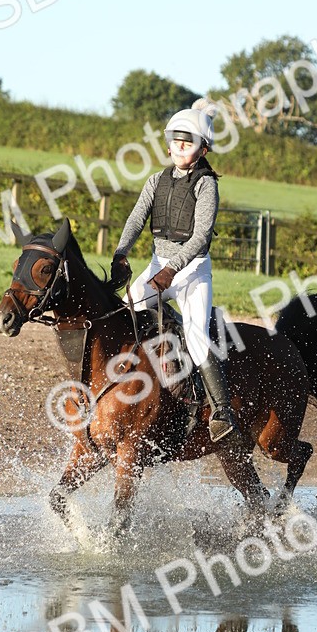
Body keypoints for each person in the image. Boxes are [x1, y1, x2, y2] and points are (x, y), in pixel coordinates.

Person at [110, 102, 237, 442]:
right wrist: (122, 253)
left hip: (192, 271)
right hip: (157, 266)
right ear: (168, 145)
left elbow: (201, 236)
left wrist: (172, 270)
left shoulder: (206, 185)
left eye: (189, 141)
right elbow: (136, 219)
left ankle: (222, 411)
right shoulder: (156, 180)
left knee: (196, 336)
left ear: (203, 149)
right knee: (129, 307)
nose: (181, 146)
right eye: (176, 140)